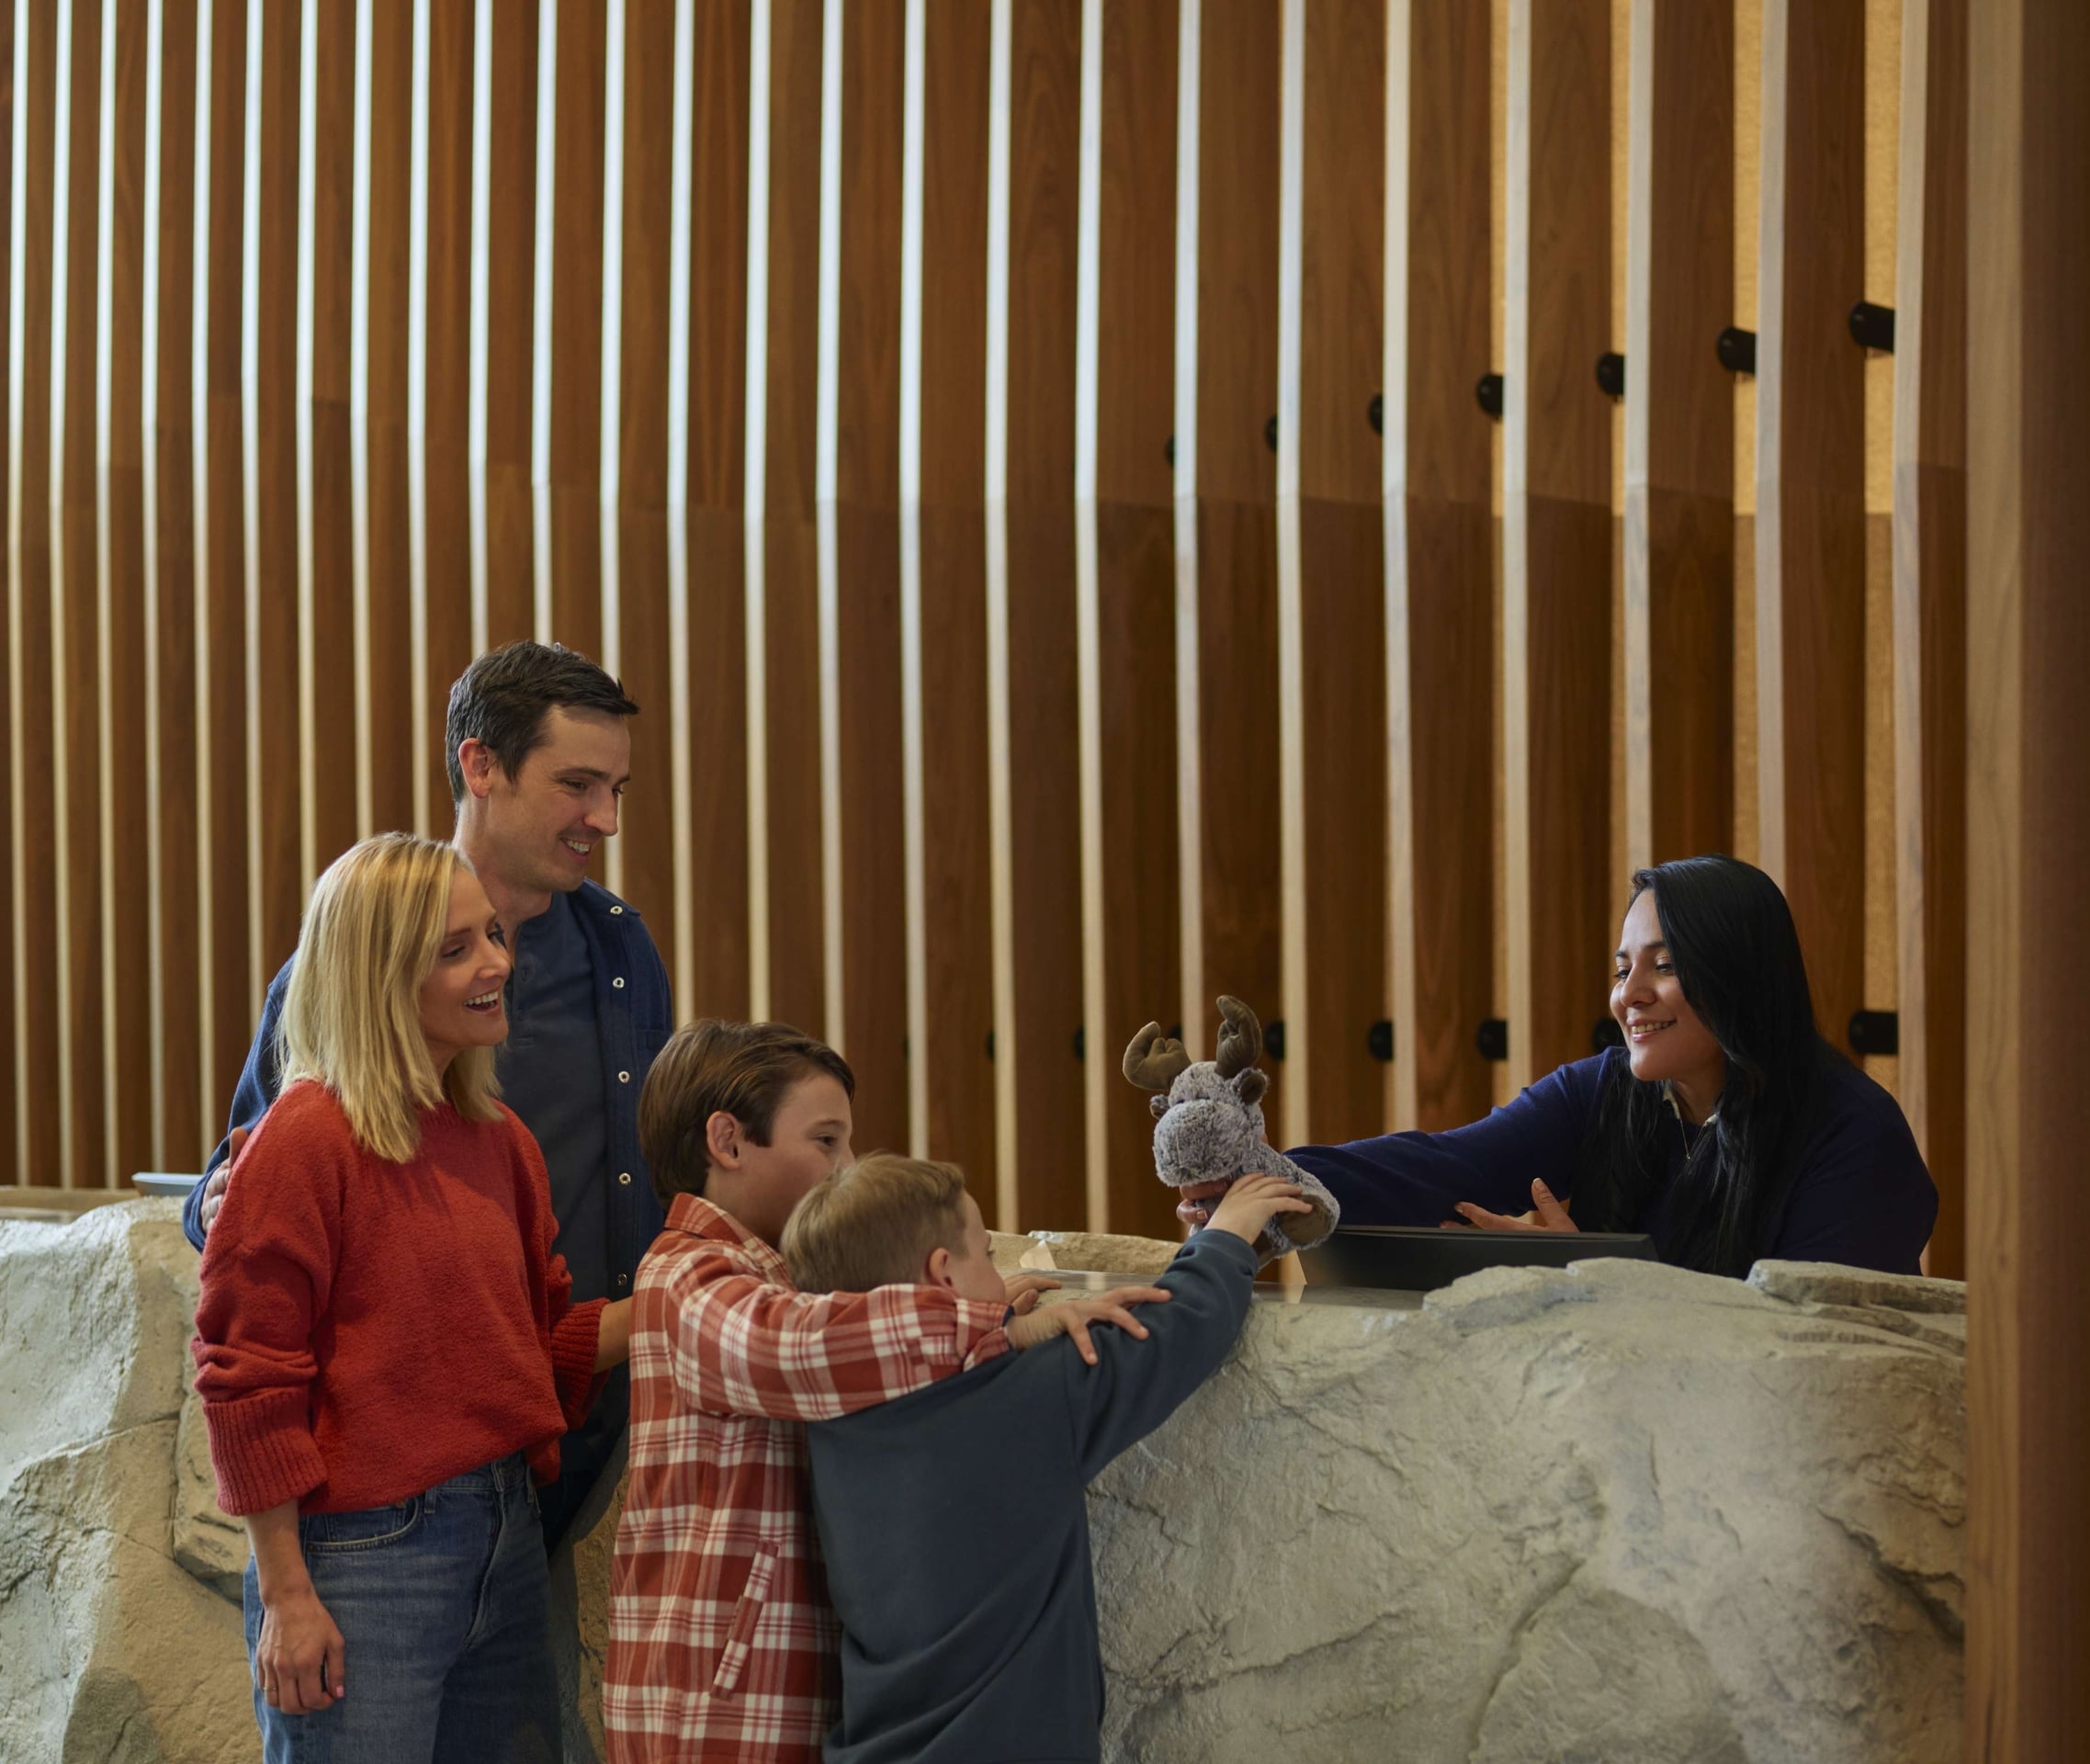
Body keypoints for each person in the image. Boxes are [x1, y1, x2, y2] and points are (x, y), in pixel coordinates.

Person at [181, 642, 667, 1747]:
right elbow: (246, 1360)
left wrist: (702, 1299)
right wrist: (289, 1590)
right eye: (457, 949)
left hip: (516, 1501)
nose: (494, 964)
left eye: (493, 940)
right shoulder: (309, 1126)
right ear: (481, 766)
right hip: (367, 1538)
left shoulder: (505, 1129)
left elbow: (534, 1333)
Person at [602, 1022, 1176, 1764]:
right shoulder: (685, 1277)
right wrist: (989, 1320)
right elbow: (799, 1348)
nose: (846, 1171)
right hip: (714, 1709)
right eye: (826, 1142)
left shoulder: (779, 1276)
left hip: (784, 1695)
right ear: (728, 1141)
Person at [1177, 854, 1937, 1278]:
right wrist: (1263, 1182)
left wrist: (1593, 1273)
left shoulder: (1852, 1136)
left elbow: (1801, 1353)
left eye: (1664, 966)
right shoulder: (1605, 1089)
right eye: (1620, 969)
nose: (1628, 996)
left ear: (1740, 974)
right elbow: (1443, 1166)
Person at [782, 1158, 1310, 1764]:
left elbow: (906, 1357)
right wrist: (1227, 1232)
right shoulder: (1029, 1395)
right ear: (945, 1277)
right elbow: (1178, 1325)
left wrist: (992, 1324)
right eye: (985, 1253)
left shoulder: (832, 1420)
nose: (998, 1272)